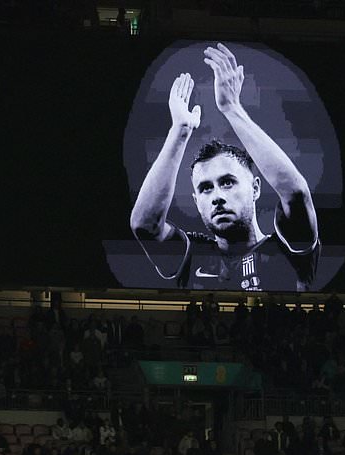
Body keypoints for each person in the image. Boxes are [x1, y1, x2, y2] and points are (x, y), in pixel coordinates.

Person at [129, 43, 321, 292]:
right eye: (206, 188)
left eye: (228, 182)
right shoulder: (193, 255)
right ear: (197, 200)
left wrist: (232, 108)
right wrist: (180, 131)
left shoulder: (289, 249)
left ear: (255, 188)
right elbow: (144, 225)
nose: (218, 196)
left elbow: (295, 192)